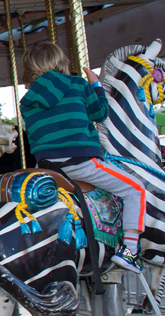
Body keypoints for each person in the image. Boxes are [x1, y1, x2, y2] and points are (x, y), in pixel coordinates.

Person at [20, 42, 146, 273]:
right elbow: (100, 113)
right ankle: (130, 251)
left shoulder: (27, 100)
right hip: (80, 163)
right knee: (135, 189)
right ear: (60, 61)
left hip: (45, 169)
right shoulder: (77, 84)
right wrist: (96, 84)